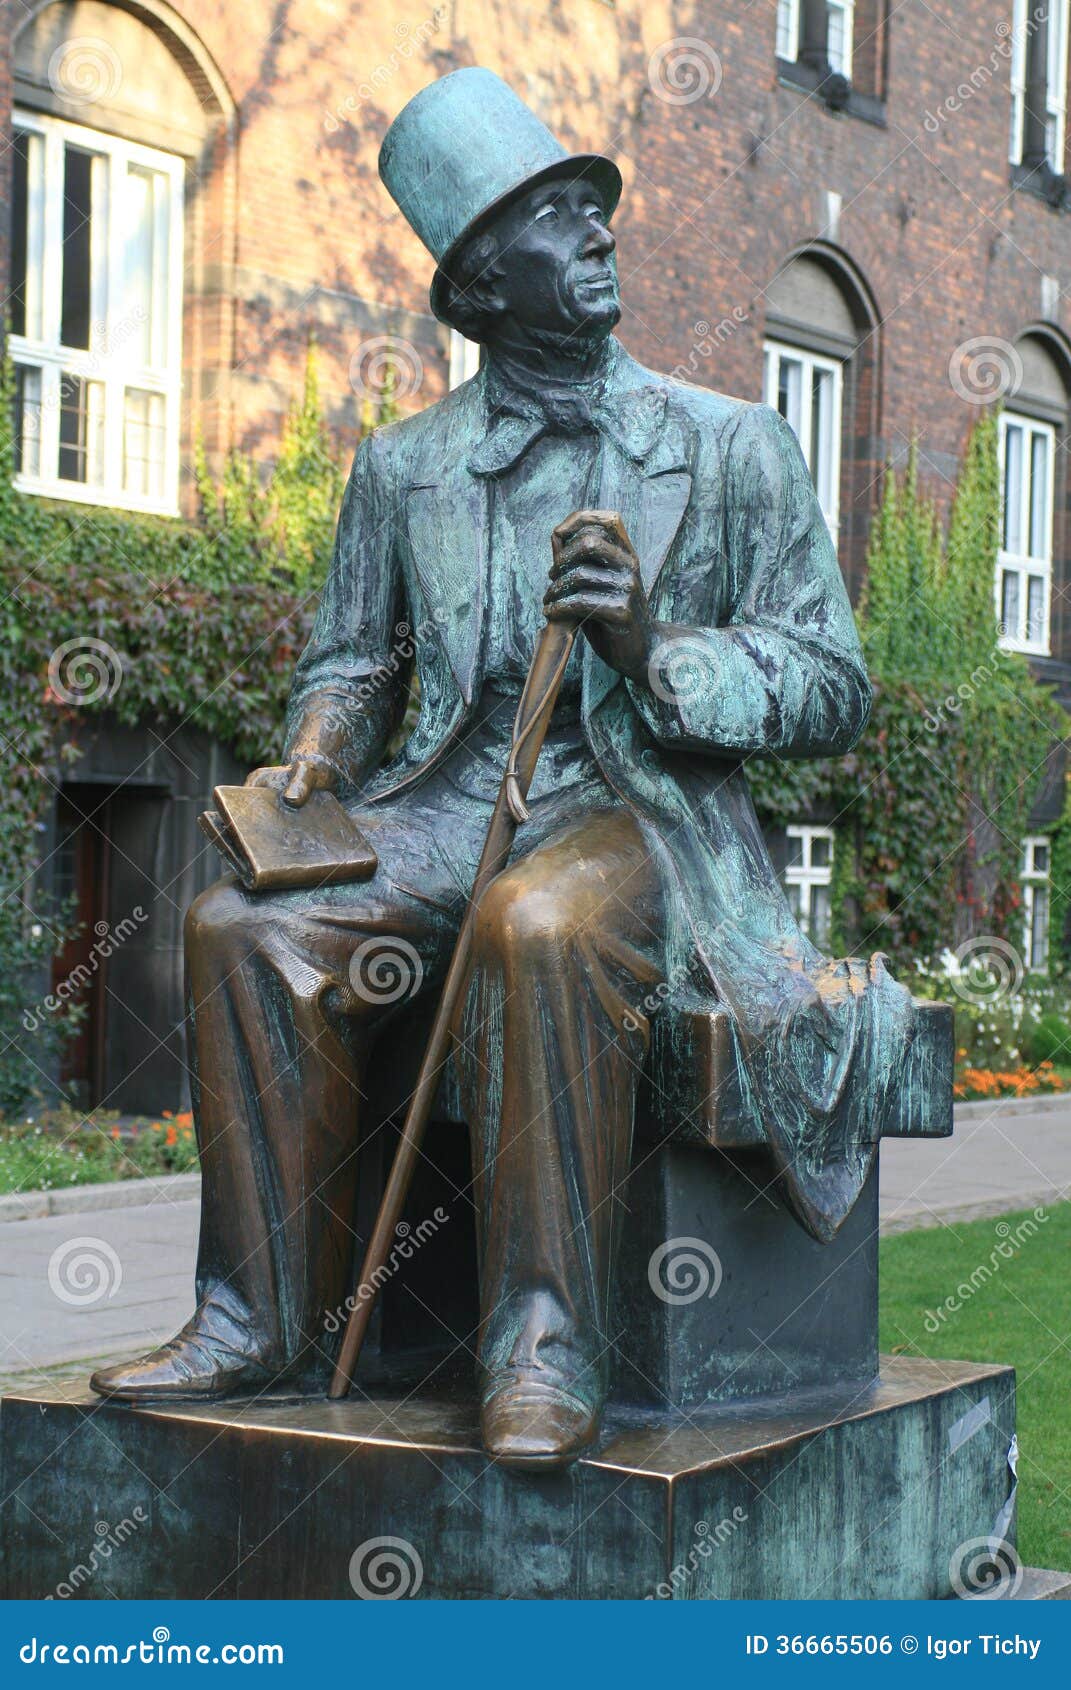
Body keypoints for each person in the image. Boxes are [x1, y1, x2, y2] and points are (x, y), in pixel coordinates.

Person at [91, 68, 914, 1469]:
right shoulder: (404, 468)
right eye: (552, 216)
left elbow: (831, 682)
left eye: (595, 208)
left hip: (642, 816)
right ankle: (260, 1321)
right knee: (243, 924)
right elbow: (351, 660)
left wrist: (657, 650)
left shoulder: (730, 447)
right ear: (478, 286)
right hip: (445, 803)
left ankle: (545, 1341)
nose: (598, 232)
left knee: (532, 921)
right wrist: (309, 759)